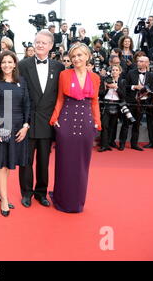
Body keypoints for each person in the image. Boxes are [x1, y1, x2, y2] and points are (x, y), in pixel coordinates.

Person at [49, 43, 101, 213]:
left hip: (86, 121)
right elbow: (59, 99)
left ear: (87, 56)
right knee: (64, 162)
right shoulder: (64, 74)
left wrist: (96, 122)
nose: (76, 59)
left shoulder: (95, 77)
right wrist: (55, 118)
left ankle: (78, 201)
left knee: (82, 163)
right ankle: (62, 199)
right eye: (73, 56)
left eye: (80, 55)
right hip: (67, 119)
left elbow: (94, 102)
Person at [18, 30, 64, 208]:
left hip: (47, 122)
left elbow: (59, 96)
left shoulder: (58, 67)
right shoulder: (23, 65)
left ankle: (41, 193)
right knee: (26, 161)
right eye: (37, 42)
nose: (39, 45)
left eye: (44, 43)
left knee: (44, 161)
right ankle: (26, 193)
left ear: (51, 46)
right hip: (27, 121)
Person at [0, 51, 30, 217]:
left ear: (15, 63)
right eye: (4, 62)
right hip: (1, 127)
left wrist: (25, 126)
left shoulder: (22, 82)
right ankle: (4, 199)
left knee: (10, 163)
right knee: (1, 164)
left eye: (10, 62)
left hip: (17, 127)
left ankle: (0, 192)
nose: (7, 65)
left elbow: (27, 105)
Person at [118, 56, 153, 151]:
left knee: (137, 124)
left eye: (142, 61)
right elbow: (125, 86)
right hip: (130, 102)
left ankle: (134, 144)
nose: (139, 62)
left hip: (142, 103)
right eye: (138, 61)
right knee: (125, 124)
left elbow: (152, 89)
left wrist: (147, 92)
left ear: (147, 63)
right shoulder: (131, 72)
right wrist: (134, 87)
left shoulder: (151, 75)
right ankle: (122, 143)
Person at [98, 65, 126, 152]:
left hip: (117, 104)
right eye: (113, 70)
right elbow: (101, 93)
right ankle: (104, 145)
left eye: (116, 70)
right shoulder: (105, 80)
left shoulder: (122, 81)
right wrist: (106, 87)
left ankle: (111, 142)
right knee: (104, 125)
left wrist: (116, 87)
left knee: (113, 125)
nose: (114, 71)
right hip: (106, 103)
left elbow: (123, 95)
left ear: (120, 72)